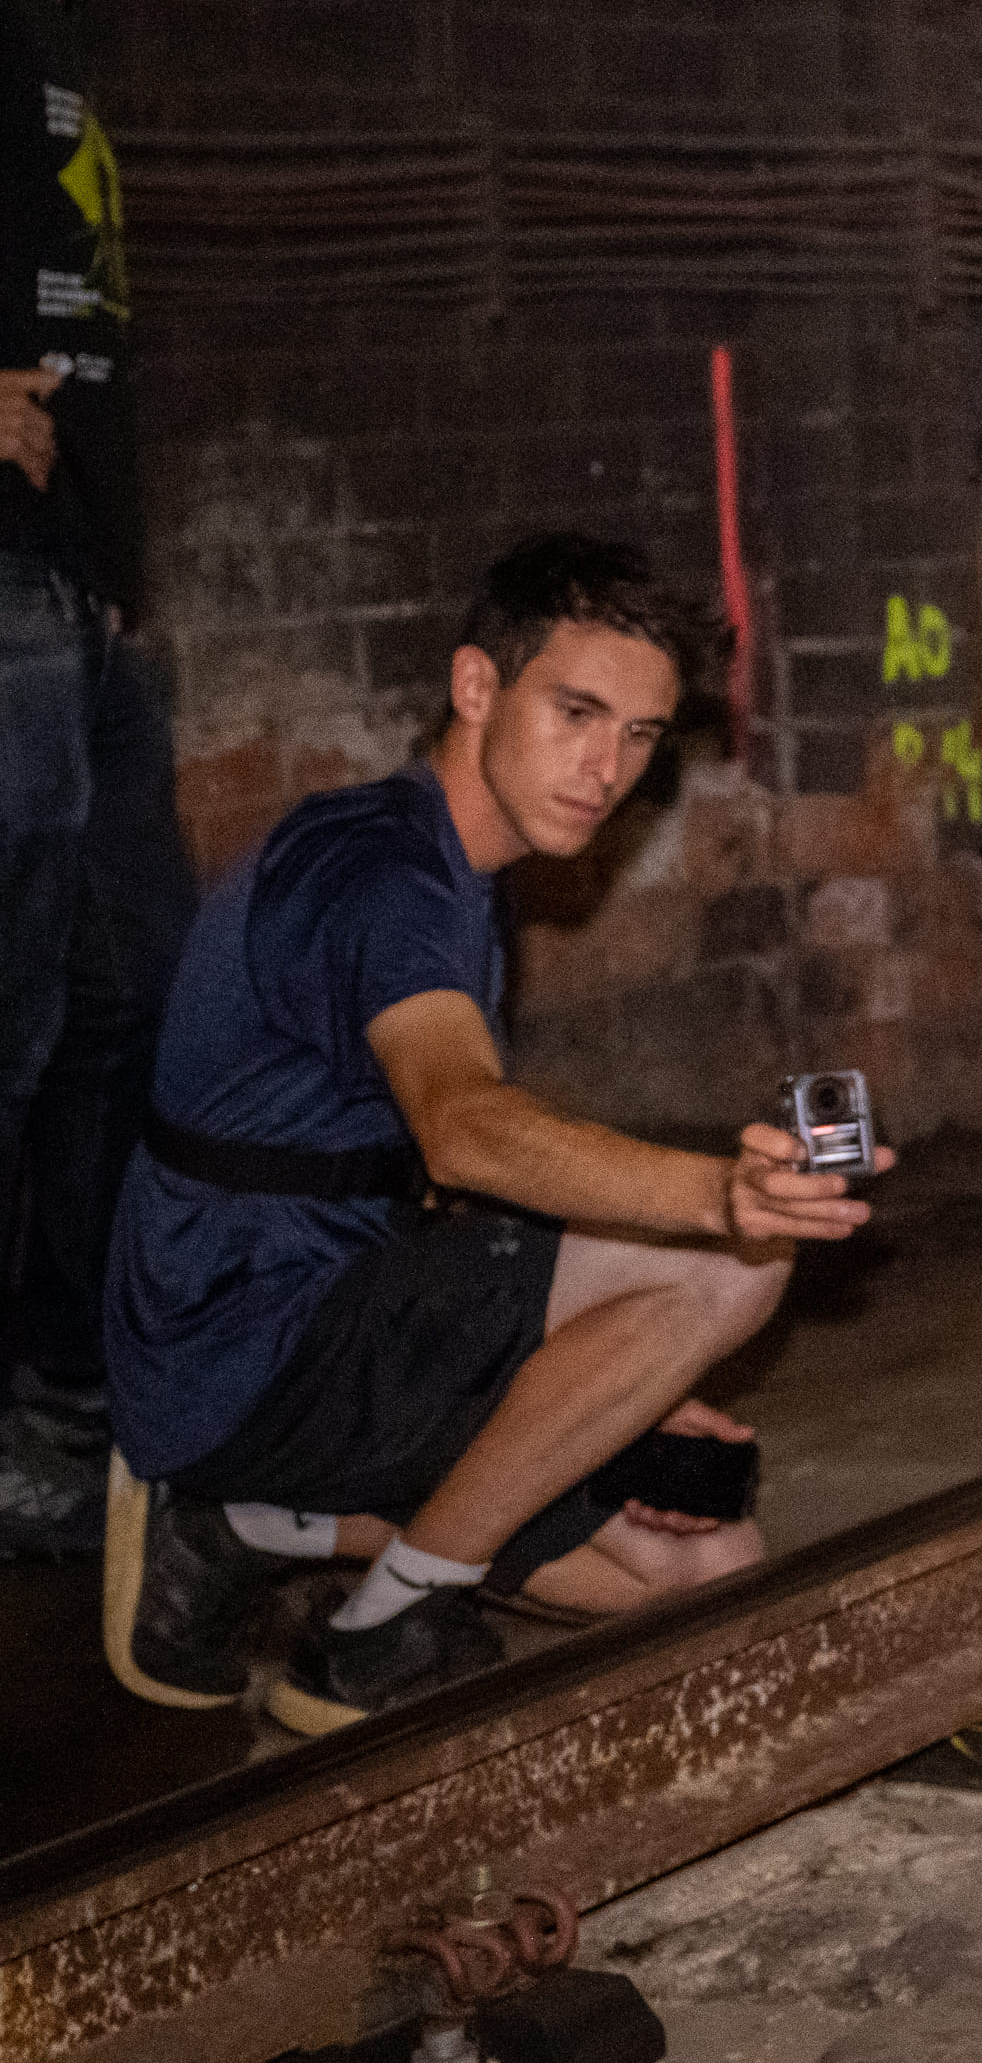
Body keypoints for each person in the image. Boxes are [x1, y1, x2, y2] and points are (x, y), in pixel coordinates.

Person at [100, 537, 882, 1731]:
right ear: (477, 688)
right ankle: (385, 1628)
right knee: (733, 1266)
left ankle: (237, 1528)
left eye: (638, 735)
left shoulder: (464, 869)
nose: (606, 766)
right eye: (576, 712)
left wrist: (626, 1375)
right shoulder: (381, 875)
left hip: (325, 1315)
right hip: (242, 1335)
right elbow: (464, 1131)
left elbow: (434, 1181)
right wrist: (720, 1202)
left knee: (704, 1573)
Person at [0, 0, 197, 1561]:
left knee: (136, 995)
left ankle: (70, 1396)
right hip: (3, 605)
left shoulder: (53, 39)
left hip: (78, 610)